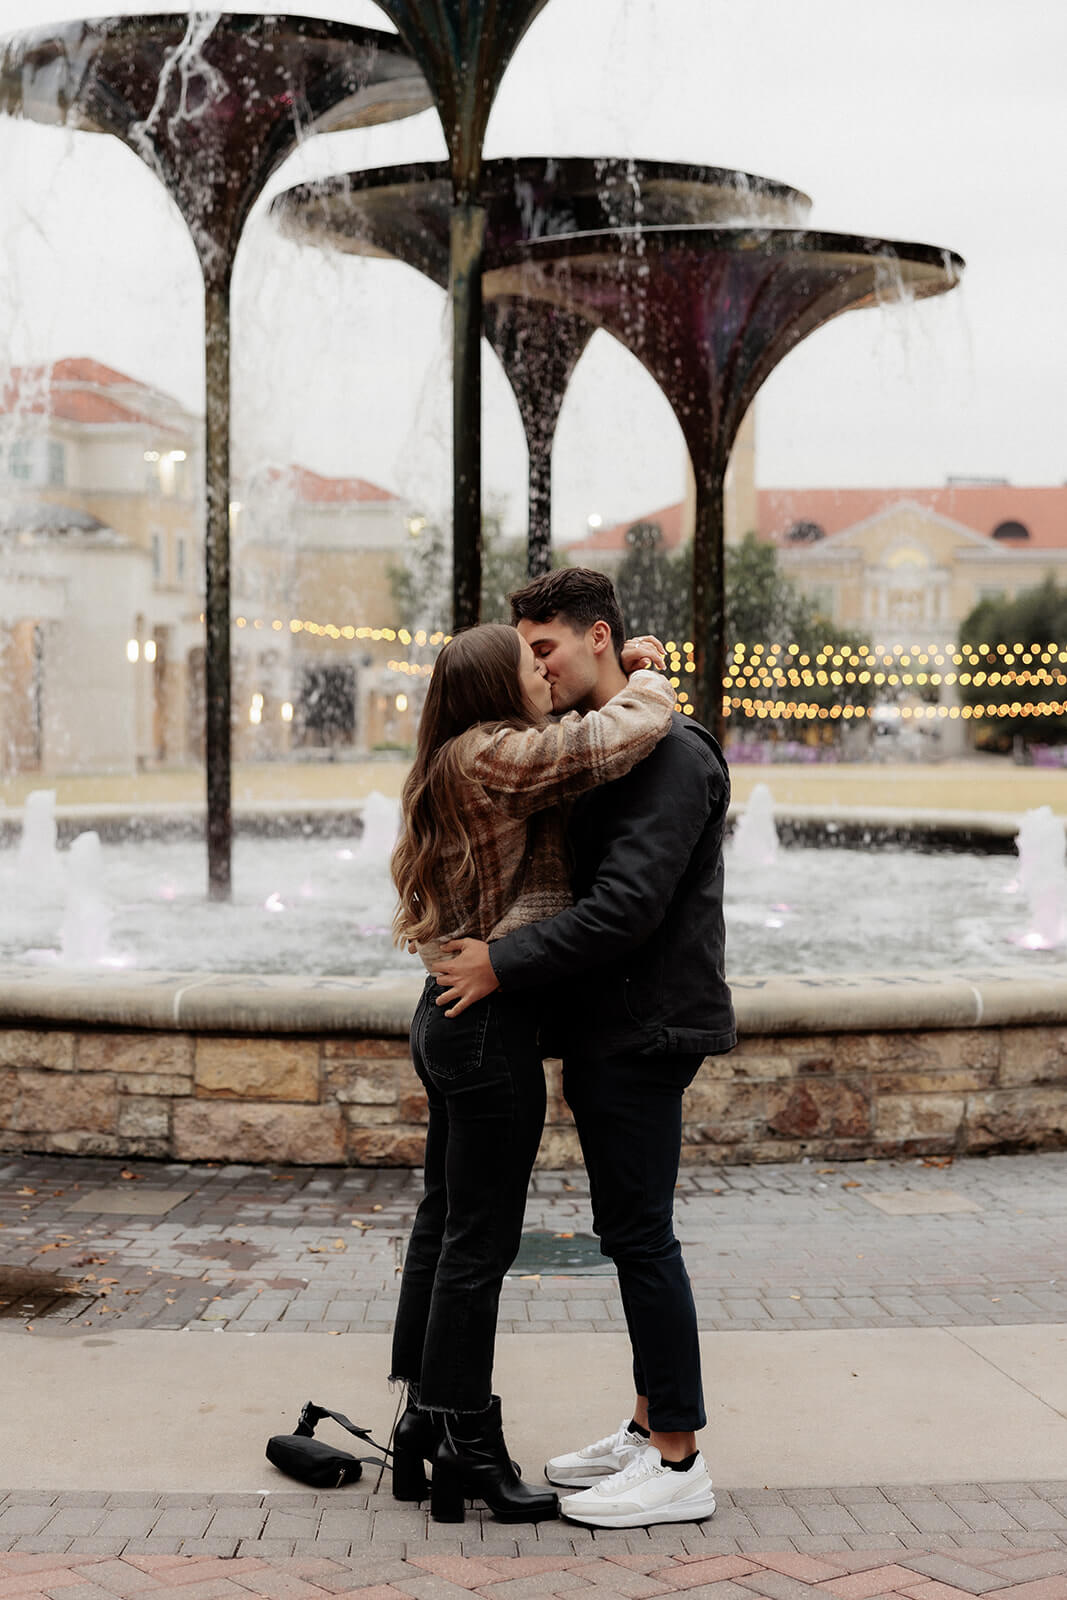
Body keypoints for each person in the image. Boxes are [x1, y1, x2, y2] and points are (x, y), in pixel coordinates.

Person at [430, 568, 735, 1530]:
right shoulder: (602, 745)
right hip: (610, 1022)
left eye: (546, 648)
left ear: (595, 636)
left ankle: (679, 1460)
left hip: (643, 1025)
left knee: (642, 1237)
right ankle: (647, 1429)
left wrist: (503, 966)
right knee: (625, 1232)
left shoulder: (673, 753)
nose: (537, 667)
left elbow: (627, 907)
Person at [388, 619, 676, 1526]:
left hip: (447, 1018)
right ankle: (467, 1442)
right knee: (479, 1245)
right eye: (529, 665)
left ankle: (421, 1425)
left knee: (443, 1230)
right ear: (492, 688)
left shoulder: (455, 755)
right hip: (486, 1028)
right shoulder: (494, 751)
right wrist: (650, 675)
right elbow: (614, 736)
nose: (545, 674)